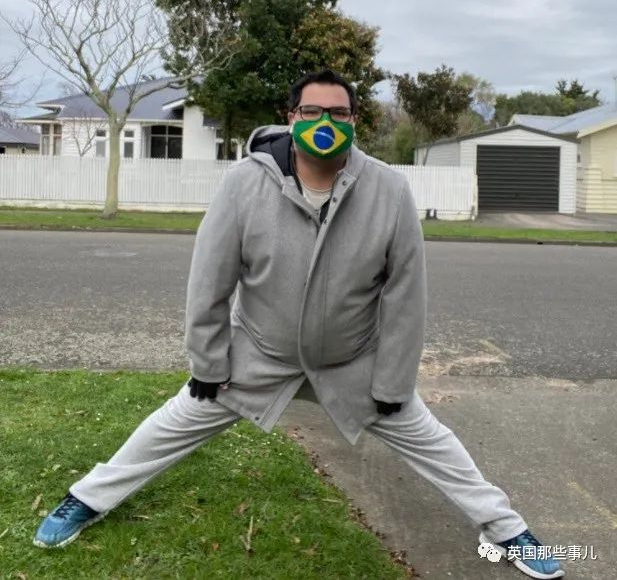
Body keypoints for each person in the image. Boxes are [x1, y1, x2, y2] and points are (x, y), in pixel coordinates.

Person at [34, 69, 564, 578]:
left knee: (435, 444)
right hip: (258, 355)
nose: (325, 122)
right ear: (291, 117)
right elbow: (209, 282)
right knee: (172, 424)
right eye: (312, 111)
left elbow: (406, 296)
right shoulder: (244, 185)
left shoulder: (389, 190)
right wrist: (208, 364)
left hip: (352, 362)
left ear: (355, 120)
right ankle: (86, 499)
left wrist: (394, 383)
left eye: (339, 112)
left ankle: (506, 530)